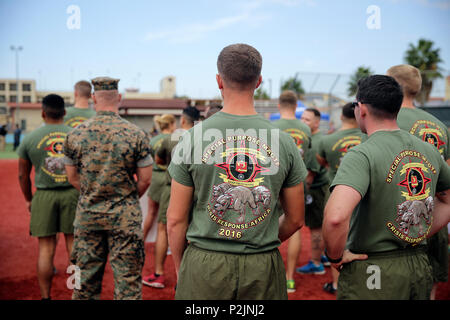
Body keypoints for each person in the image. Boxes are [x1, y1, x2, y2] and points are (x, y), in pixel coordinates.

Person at [167, 43, 307, 300]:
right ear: (259, 82)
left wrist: (181, 268)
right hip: (262, 265)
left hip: (204, 266)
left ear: (219, 81)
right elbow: (296, 219)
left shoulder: (192, 138)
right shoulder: (285, 142)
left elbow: (175, 221)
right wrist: (259, 238)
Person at [322, 75, 450, 300]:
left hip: (374, 267)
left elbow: (336, 217)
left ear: (361, 109)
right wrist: (417, 233)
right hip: (419, 263)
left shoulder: (362, 153)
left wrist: (335, 257)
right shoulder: (429, 151)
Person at [63, 77, 153, 300]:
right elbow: (145, 180)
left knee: (83, 283)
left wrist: (92, 192)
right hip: (125, 217)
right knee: (128, 284)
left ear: (93, 99)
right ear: (119, 98)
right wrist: (128, 197)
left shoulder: (75, 134)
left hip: (88, 217)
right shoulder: (136, 134)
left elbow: (72, 177)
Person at [387, 64, 450, 300]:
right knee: (428, 284)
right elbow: (446, 182)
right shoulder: (440, 125)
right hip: (435, 216)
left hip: (398, 219)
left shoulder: (385, 119)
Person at [17, 94, 79, 300]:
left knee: (46, 249)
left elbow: (22, 175)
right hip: (72, 194)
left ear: (43, 113)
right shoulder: (76, 135)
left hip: (43, 196)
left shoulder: (30, 138)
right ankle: (78, 294)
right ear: (64, 113)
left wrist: (28, 199)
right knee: (74, 249)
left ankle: (45, 297)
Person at [143, 107, 200, 289]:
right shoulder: (204, 138)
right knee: (196, 234)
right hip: (200, 192)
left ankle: (159, 274)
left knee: (165, 230)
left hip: (173, 189)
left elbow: (159, 161)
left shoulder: (171, 138)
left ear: (183, 120)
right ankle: (190, 279)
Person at [316, 102, 366, 294]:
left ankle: (337, 284)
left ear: (342, 117)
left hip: (337, 191)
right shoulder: (368, 138)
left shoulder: (328, 140)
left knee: (336, 237)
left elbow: (323, 162)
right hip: (364, 193)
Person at [272, 90, 314, 293]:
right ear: (296, 106)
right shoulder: (305, 129)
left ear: (279, 106)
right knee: (295, 227)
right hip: (298, 183)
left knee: (269, 225)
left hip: (274, 183)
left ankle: (272, 273)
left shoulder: (271, 127)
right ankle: (289, 278)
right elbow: (312, 164)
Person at [297, 108, 330, 275]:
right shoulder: (314, 138)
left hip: (316, 189)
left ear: (317, 123)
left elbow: (310, 175)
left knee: (316, 227)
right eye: (302, 118)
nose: (303, 122)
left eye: (307, 120)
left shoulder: (315, 141)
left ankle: (316, 263)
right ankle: (322, 255)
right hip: (323, 186)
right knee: (320, 225)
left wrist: (302, 195)